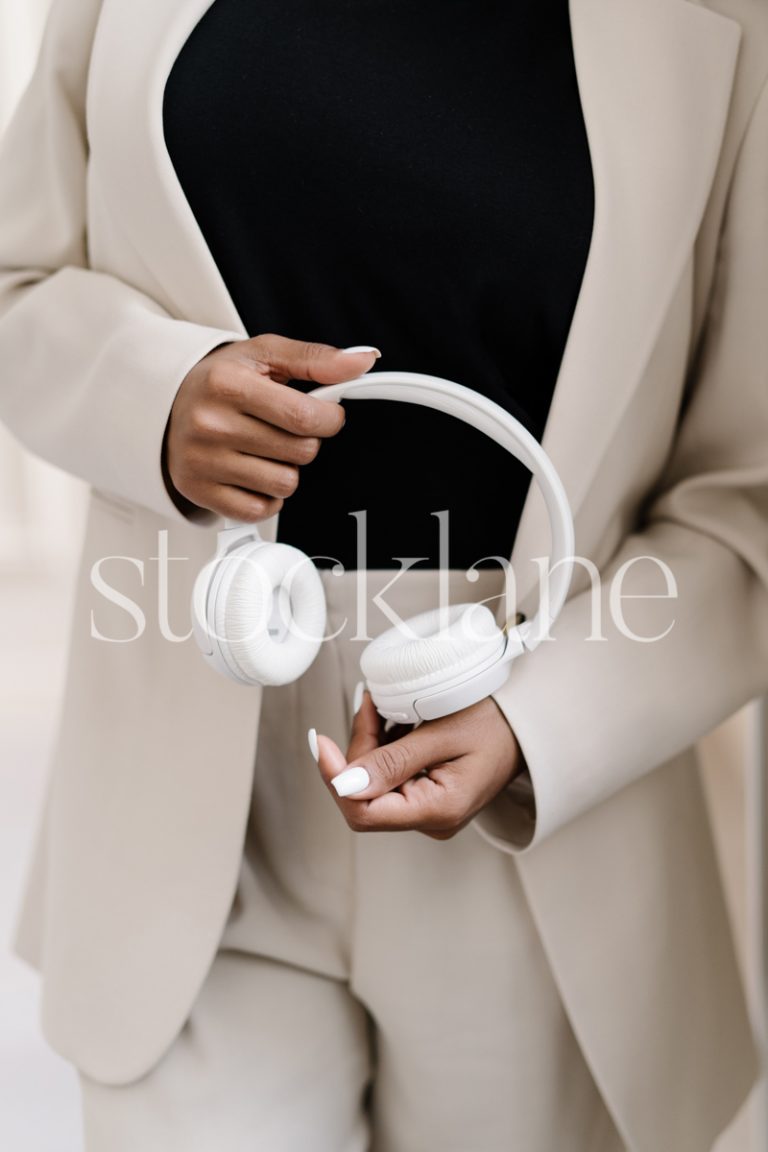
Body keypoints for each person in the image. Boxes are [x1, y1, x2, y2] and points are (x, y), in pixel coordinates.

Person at [1, 0, 767, 1149]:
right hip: (186, 818)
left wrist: (541, 725)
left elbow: (742, 503)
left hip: (541, 814)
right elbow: (19, 279)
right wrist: (153, 398)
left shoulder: (723, 23)